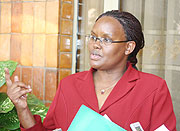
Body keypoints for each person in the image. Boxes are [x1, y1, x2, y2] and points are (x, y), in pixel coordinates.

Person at [5, 10, 176, 131]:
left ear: (128, 47)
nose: (95, 45)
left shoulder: (153, 88)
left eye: (106, 40)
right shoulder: (68, 85)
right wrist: (22, 109)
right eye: (93, 37)